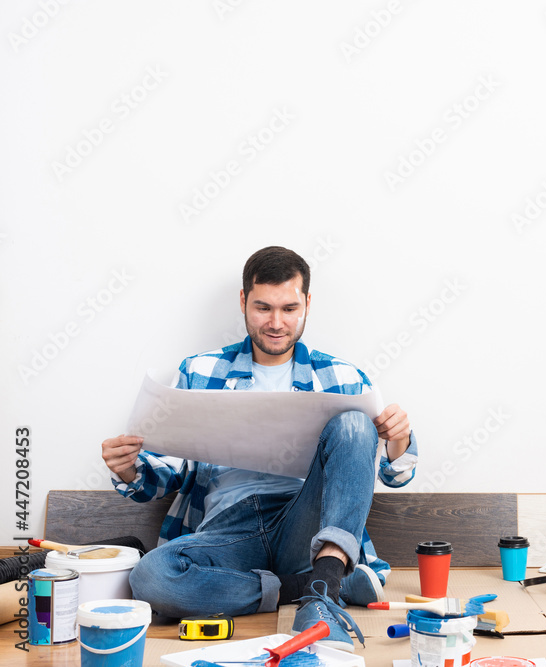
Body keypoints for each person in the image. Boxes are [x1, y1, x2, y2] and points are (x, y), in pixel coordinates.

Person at [100, 246, 417, 652]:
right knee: (151, 577)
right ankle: (313, 583)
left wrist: (398, 440)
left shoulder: (342, 376)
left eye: (289, 308)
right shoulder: (199, 372)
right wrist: (129, 469)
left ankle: (320, 598)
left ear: (307, 304)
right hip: (229, 530)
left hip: (304, 522)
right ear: (243, 301)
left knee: (355, 424)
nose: (276, 323)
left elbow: (390, 474)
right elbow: (166, 475)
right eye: (263, 307)